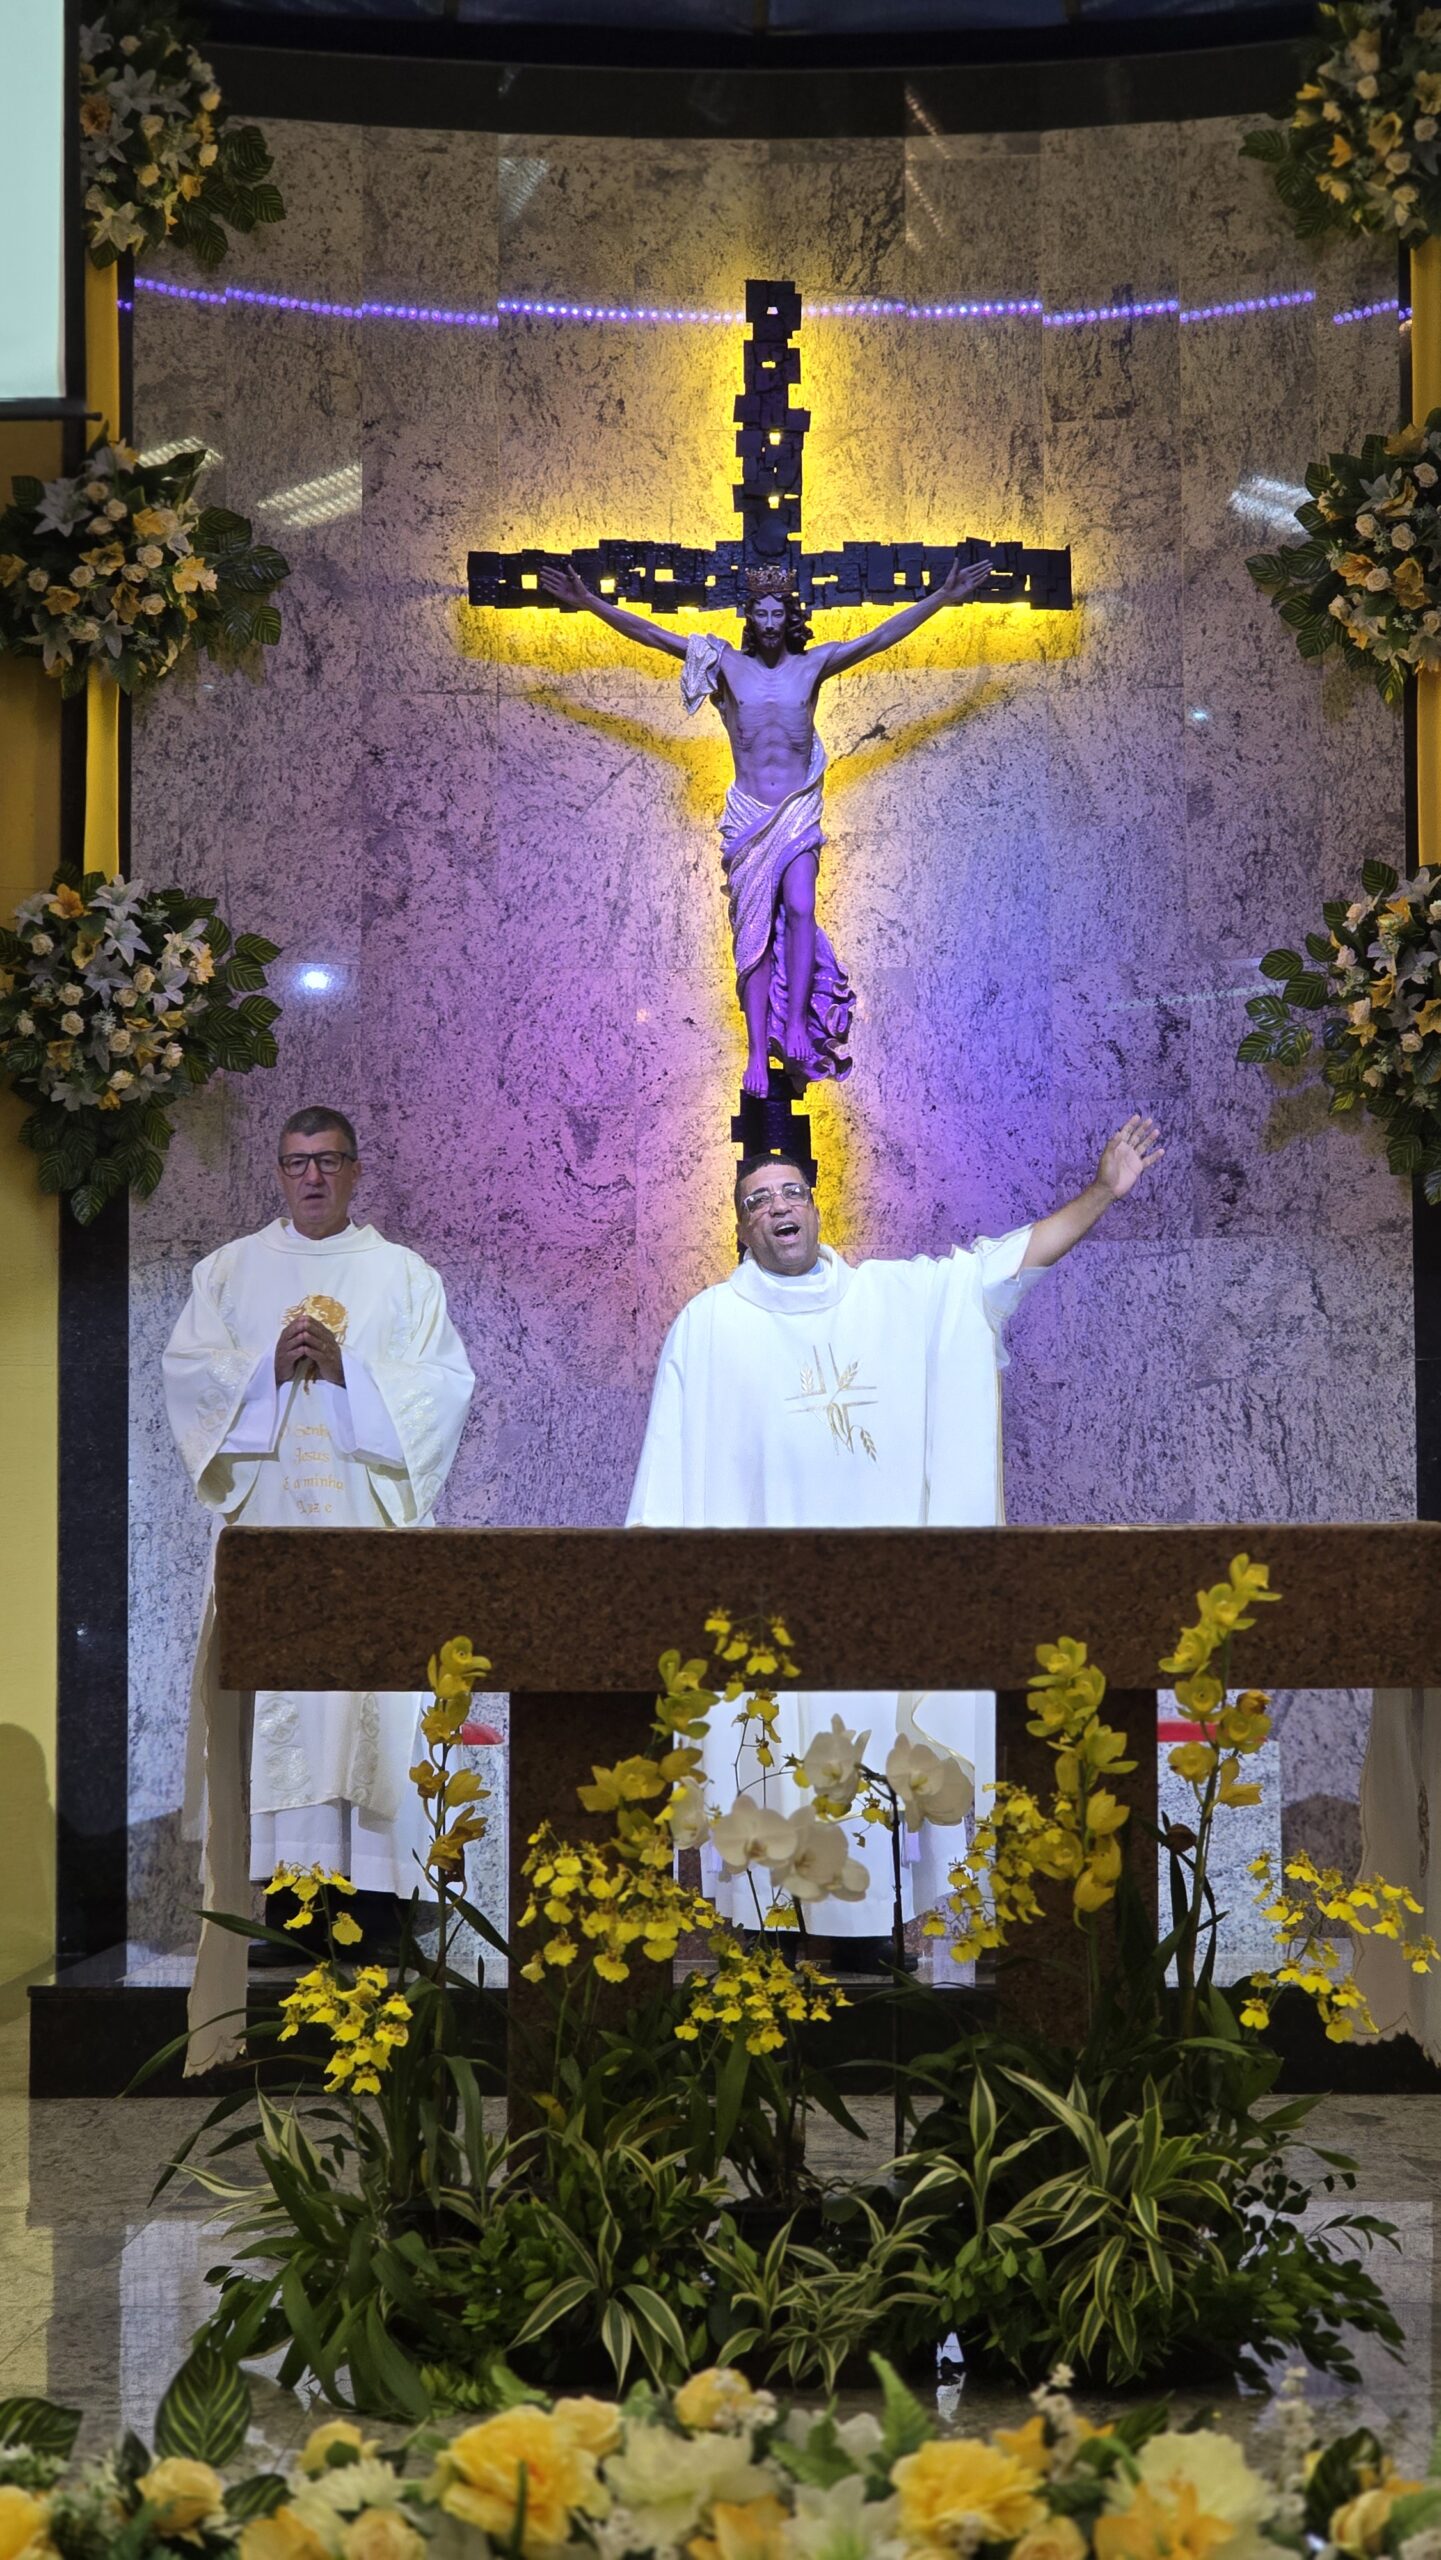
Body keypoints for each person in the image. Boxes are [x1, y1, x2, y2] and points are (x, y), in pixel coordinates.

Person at [626, 1118, 1164, 1963]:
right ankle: (766, 1959)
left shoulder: (897, 1300)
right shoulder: (707, 1325)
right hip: (763, 1612)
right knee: (767, 1771)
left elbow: (1004, 1265)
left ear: (815, 1208)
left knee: (874, 1770)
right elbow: (667, 1470)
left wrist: (1101, 1192)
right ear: (740, 1226)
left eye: (791, 1193)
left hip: (880, 1605)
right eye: (757, 1201)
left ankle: (874, 1947)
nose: (778, 1208)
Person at [164, 1106, 475, 2070]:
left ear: (354, 1170)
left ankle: (378, 1912)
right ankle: (289, 1913)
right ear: (278, 1170)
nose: (312, 1177)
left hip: (371, 1542)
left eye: (328, 1161)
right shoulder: (228, 1274)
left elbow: (443, 1389)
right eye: (297, 1162)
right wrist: (265, 1369)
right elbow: (190, 1382)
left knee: (368, 1712)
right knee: (282, 1716)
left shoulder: (403, 1276)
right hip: (271, 1542)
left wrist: (353, 1376)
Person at [539, 553, 991, 1097]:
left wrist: (942, 598)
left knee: (801, 907)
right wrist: (589, 602)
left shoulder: (814, 665)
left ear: (790, 617)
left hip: (796, 811)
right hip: (750, 816)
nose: (772, 624)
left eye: (779, 614)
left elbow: (879, 638)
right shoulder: (726, 664)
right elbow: (653, 636)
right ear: (750, 618)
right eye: (763, 614)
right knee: (751, 934)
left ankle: (796, 1021)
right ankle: (756, 1048)